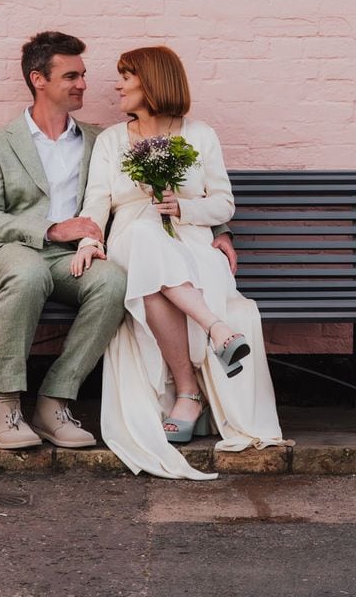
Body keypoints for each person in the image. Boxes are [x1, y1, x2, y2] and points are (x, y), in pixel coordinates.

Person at [71, 45, 287, 480]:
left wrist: (184, 209)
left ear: (152, 82)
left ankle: (188, 392)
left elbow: (223, 202)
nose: (117, 85)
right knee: (146, 233)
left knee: (155, 261)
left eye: (126, 77)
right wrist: (88, 240)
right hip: (132, 236)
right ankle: (216, 331)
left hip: (188, 242)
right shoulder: (112, 140)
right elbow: (97, 201)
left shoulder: (200, 134)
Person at [0, 31, 125, 450]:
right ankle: (5, 408)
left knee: (113, 281)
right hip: (7, 256)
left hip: (69, 259)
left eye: (83, 75)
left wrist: (218, 230)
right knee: (29, 273)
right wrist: (49, 230)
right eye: (71, 76)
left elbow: (145, 190)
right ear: (38, 79)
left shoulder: (98, 140)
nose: (83, 84)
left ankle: (54, 402)